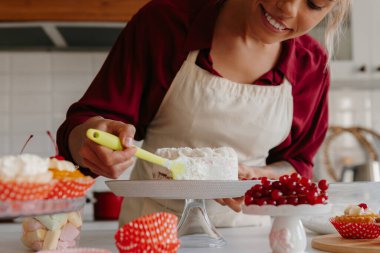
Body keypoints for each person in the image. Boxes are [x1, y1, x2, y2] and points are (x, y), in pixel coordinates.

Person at [57, 0, 351, 227]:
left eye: (313, 3)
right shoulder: (166, 24)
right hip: (154, 234)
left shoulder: (310, 64)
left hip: (251, 235)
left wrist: (266, 178)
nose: (287, 8)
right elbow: (85, 122)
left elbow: (298, 163)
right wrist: (88, 138)